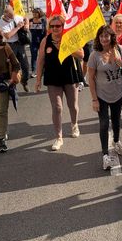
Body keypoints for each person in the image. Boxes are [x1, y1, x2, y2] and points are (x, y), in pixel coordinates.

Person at [35, 15, 84, 151]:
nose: (55, 28)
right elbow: (40, 60)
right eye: (52, 26)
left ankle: (74, 124)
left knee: (72, 105)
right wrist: (38, 79)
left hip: (70, 75)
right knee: (57, 107)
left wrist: (66, 45)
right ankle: (59, 137)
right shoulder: (46, 40)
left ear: (63, 26)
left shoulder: (70, 37)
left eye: (58, 26)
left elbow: (81, 55)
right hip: (53, 77)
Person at [87, 25, 122, 170]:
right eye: (101, 36)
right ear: (98, 38)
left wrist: (121, 63)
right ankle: (105, 155)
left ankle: (116, 142)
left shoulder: (118, 49)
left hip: (118, 92)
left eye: (107, 36)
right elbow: (90, 78)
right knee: (104, 123)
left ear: (111, 37)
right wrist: (94, 99)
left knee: (117, 120)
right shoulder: (94, 55)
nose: (104, 38)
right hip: (102, 95)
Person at [0, 5, 30, 92]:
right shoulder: (1, 22)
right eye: (10, 16)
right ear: (5, 15)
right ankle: (12, 88)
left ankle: (24, 81)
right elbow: (8, 36)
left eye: (13, 15)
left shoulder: (15, 17)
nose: (12, 18)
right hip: (9, 46)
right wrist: (18, 27)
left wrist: (26, 25)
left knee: (26, 66)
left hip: (19, 44)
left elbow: (25, 18)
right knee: (12, 68)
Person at [29, 8, 46, 78]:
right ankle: (34, 71)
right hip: (33, 41)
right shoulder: (30, 20)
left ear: (39, 13)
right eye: (33, 13)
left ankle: (44, 70)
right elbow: (29, 30)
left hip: (42, 41)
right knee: (34, 56)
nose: (34, 14)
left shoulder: (43, 20)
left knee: (43, 56)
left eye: (36, 13)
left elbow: (44, 31)